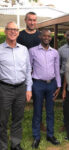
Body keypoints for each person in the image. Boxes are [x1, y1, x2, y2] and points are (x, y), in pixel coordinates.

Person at [0, 22, 32, 150]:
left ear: (18, 32)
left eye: (15, 30)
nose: (13, 32)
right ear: (5, 31)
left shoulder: (24, 50)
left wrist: (28, 88)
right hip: (4, 89)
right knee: (2, 120)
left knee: (18, 119)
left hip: (21, 89)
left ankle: (15, 144)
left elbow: (28, 69)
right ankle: (2, 146)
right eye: (10, 29)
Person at [29, 29, 61, 149]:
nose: (47, 37)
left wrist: (58, 85)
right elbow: (28, 69)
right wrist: (29, 86)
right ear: (40, 37)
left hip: (51, 84)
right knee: (37, 111)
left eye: (49, 36)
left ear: (51, 38)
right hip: (38, 84)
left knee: (50, 111)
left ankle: (50, 135)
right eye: (44, 36)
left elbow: (57, 69)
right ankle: (36, 136)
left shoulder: (55, 52)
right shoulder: (32, 51)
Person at [17, 11, 45, 131]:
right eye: (30, 20)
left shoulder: (40, 35)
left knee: (38, 100)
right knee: (20, 100)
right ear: (25, 21)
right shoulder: (19, 35)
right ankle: (17, 124)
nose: (32, 22)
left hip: (37, 73)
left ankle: (40, 123)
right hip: (23, 73)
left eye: (34, 20)